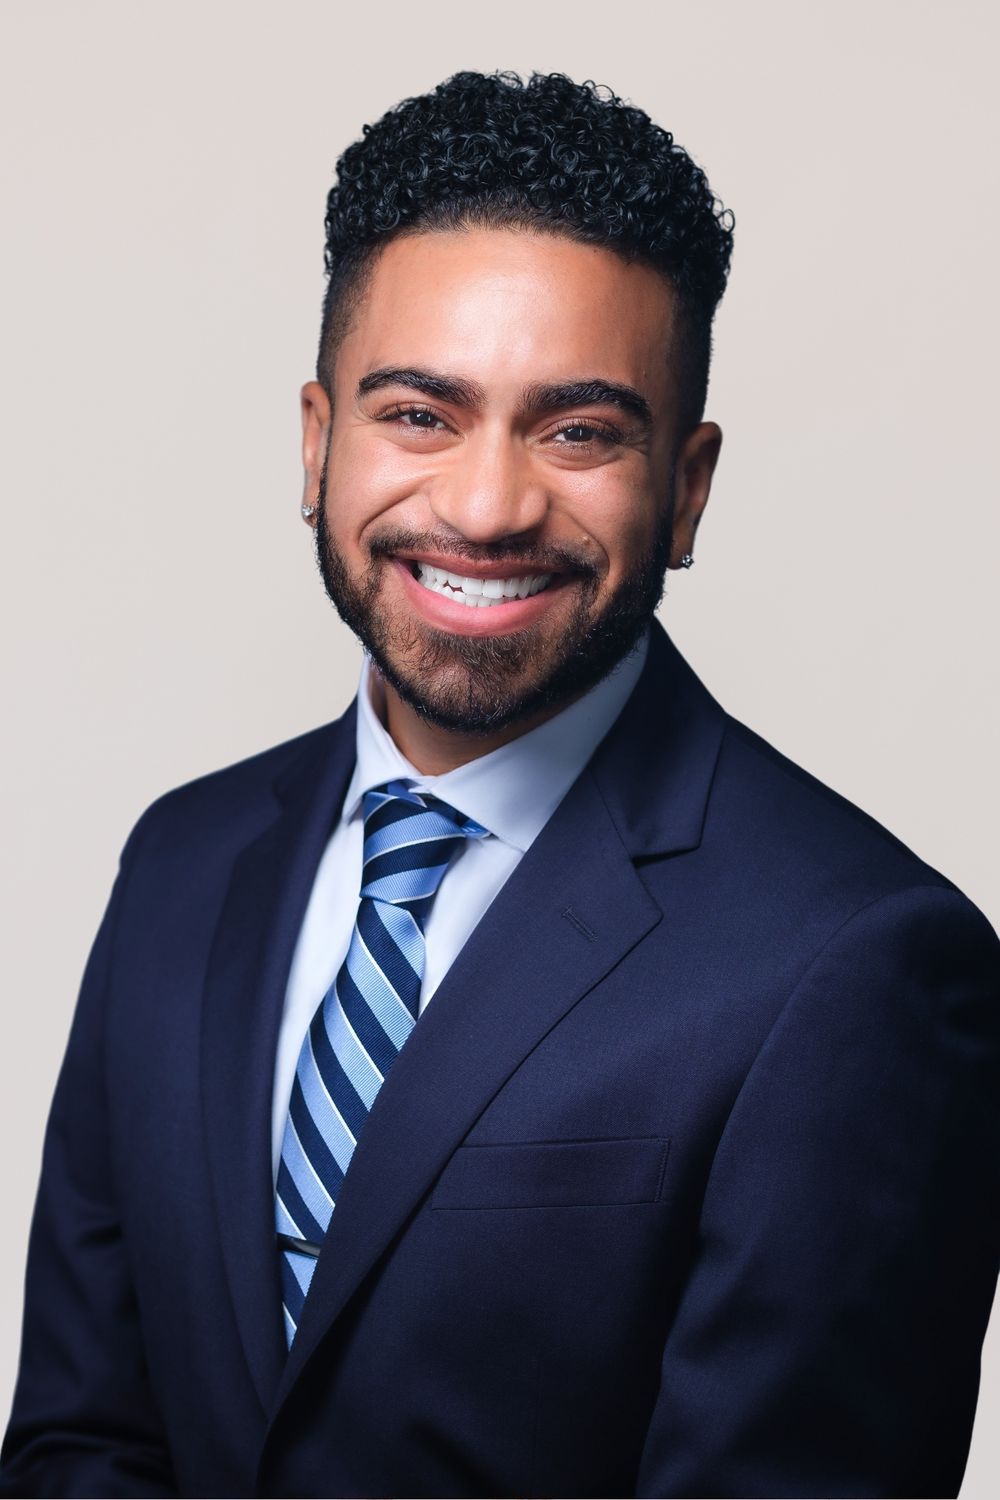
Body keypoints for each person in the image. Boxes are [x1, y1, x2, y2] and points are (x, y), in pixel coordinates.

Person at [2, 67, 997, 1500]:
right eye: (418, 413)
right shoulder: (183, 861)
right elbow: (80, 1444)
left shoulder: (865, 969)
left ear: (691, 487)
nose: (485, 506)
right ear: (315, 440)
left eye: (580, 431)